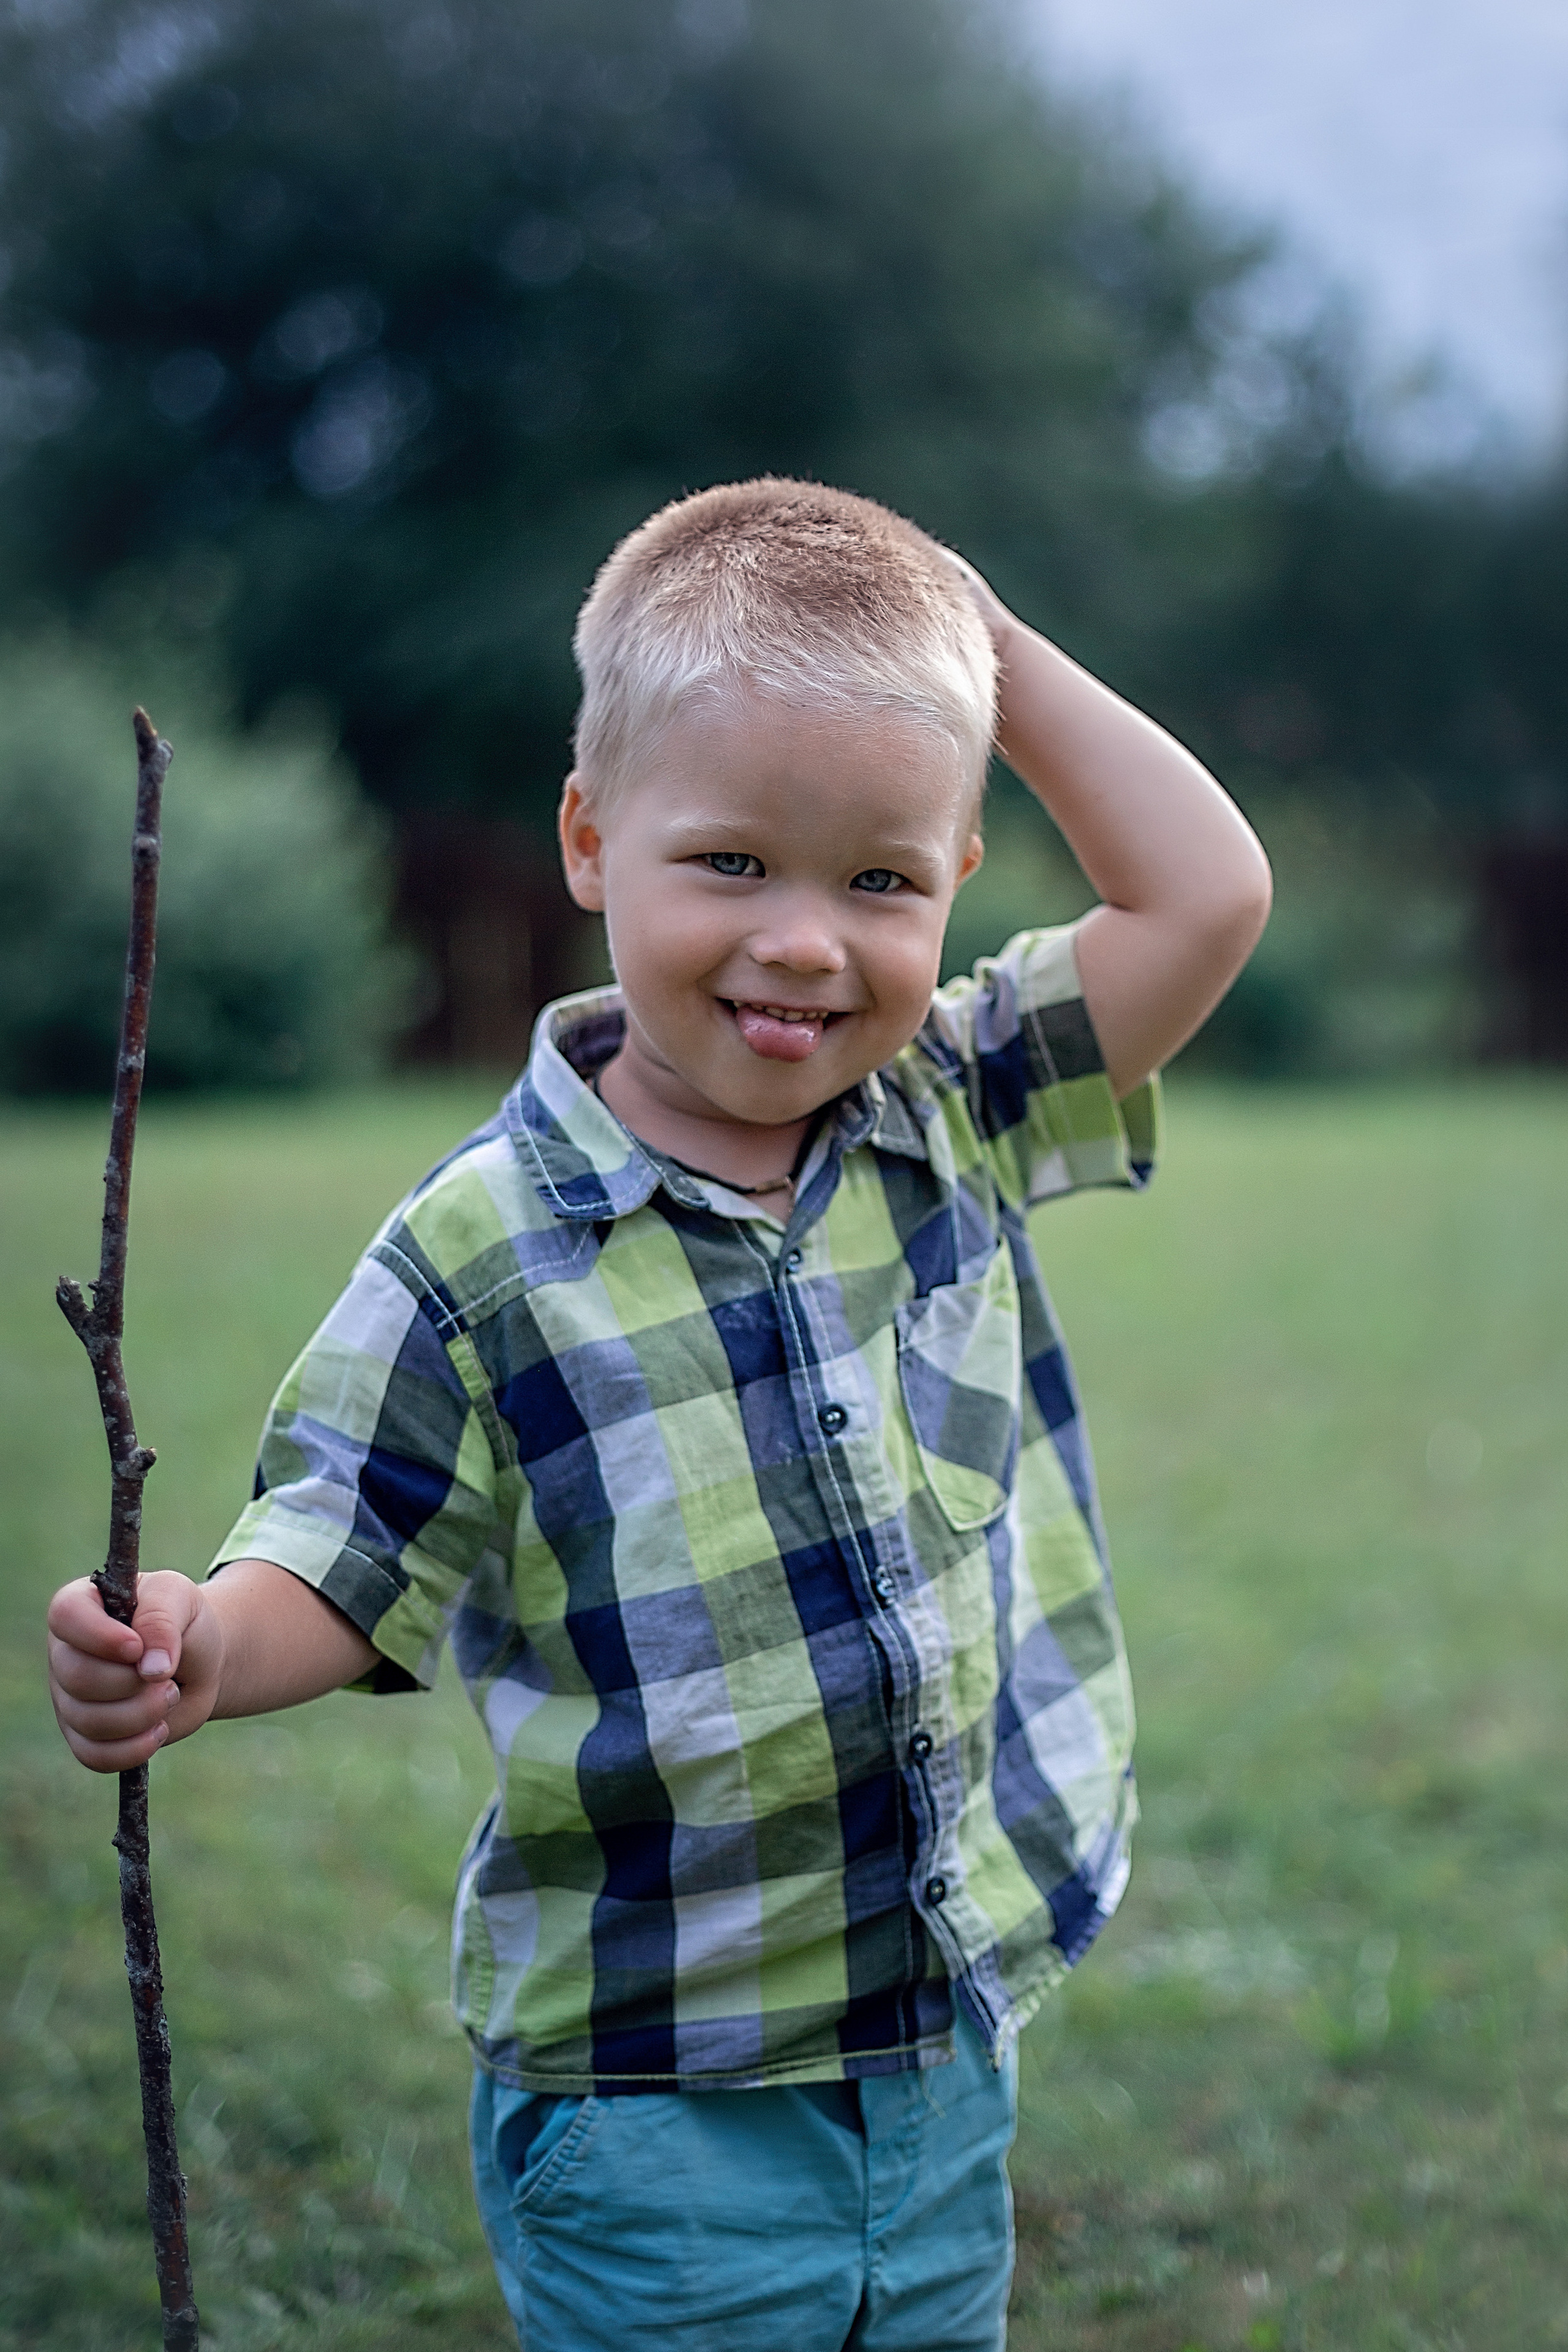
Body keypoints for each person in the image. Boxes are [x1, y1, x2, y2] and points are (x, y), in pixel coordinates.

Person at [46, 480, 1270, 2350]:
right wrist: (202, 1640)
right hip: (654, 2102)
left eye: (882, 881)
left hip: (939, 2047)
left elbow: (1206, 893)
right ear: (590, 840)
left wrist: (982, 645)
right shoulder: (485, 1251)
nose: (807, 943)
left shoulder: (953, 1104)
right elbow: (347, 1546)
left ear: (957, 878)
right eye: (734, 864)